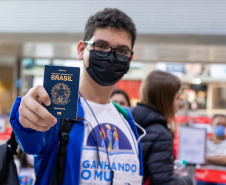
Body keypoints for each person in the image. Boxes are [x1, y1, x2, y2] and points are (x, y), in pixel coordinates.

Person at [10, 8, 144, 185]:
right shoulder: (58, 111)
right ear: (82, 49)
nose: (111, 56)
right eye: (101, 46)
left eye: (122, 51)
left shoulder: (127, 120)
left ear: (130, 59)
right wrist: (26, 115)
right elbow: (32, 140)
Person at [131, 70, 193, 185]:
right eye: (177, 98)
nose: (179, 103)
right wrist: (187, 179)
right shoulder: (161, 134)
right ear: (166, 99)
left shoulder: (128, 119)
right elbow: (164, 181)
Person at [196, 114, 226, 185]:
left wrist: (206, 158)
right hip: (203, 177)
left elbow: (225, 160)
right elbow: (199, 160)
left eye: (223, 125)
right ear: (211, 124)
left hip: (222, 178)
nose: (220, 127)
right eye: (218, 124)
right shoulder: (203, 141)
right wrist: (220, 160)